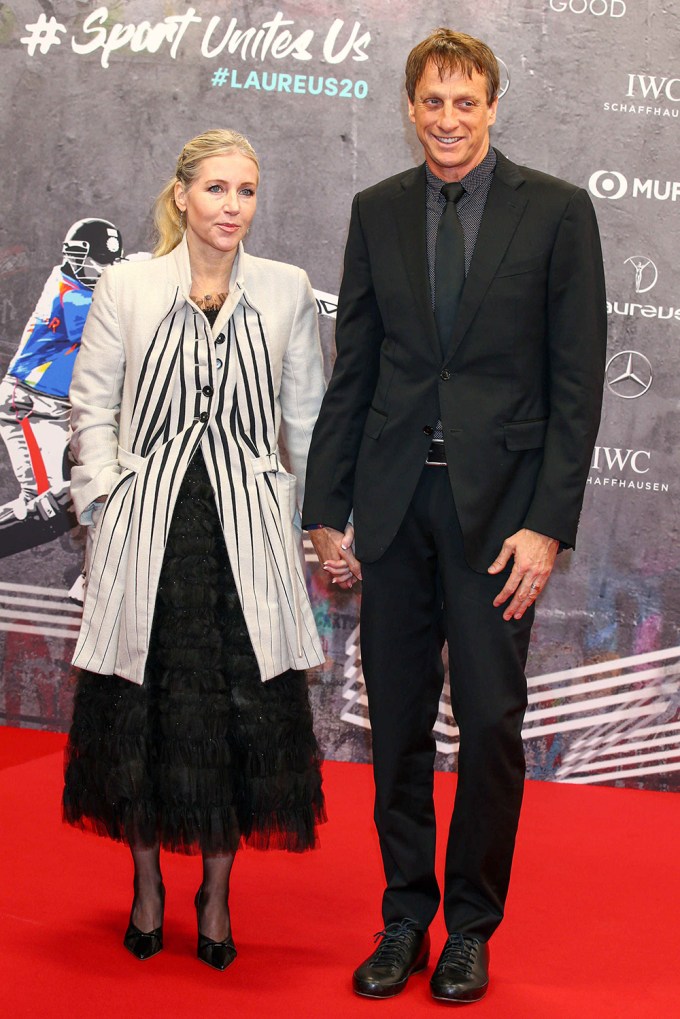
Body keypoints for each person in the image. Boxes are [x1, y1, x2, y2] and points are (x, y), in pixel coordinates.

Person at [302, 29, 606, 1004]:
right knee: (391, 725)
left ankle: (468, 927)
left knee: (488, 722)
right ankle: (402, 915)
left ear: (490, 104)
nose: (445, 119)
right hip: (394, 507)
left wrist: (546, 521)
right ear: (408, 107)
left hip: (499, 520)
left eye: (462, 102)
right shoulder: (375, 210)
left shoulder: (555, 213)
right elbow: (354, 370)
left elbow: (575, 382)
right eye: (429, 102)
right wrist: (324, 506)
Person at [63, 129, 334, 969]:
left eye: (246, 192)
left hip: (247, 538)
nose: (231, 207)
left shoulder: (287, 289)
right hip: (148, 533)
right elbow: (92, 406)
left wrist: (316, 523)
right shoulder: (129, 284)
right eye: (216, 189)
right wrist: (106, 502)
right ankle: (146, 884)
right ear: (181, 194)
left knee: (241, 720)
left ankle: (216, 893)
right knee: (139, 715)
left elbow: (306, 420)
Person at [0, 219, 123, 563]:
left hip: (64, 411)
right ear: (77, 254)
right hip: (30, 404)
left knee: (94, 492)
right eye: (101, 260)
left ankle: (90, 581)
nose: (107, 269)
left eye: (112, 261)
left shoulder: (93, 286)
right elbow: (109, 325)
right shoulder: (69, 294)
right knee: (46, 506)